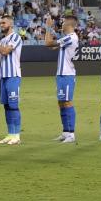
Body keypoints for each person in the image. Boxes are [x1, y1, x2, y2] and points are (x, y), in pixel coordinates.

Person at [44, 15, 79, 143]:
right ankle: (65, 132)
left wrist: (48, 27)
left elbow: (48, 43)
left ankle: (71, 134)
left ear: (69, 25)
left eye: (63, 22)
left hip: (67, 74)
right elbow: (53, 46)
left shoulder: (71, 38)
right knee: (61, 102)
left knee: (67, 102)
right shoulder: (67, 38)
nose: (61, 24)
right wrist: (51, 31)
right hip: (61, 74)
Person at [0, 15, 23, 145]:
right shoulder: (3, 40)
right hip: (2, 76)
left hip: (13, 76)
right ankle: (10, 134)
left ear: (10, 24)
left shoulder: (15, 37)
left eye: (4, 22)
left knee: (13, 105)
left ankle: (17, 135)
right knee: (6, 106)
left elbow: (5, 52)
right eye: (0, 23)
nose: (1, 25)